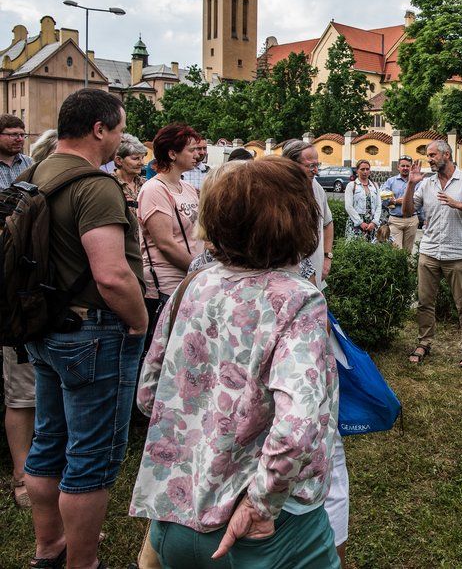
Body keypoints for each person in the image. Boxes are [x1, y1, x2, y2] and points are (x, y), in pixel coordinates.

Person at [130, 156, 340, 569]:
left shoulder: (193, 285)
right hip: (261, 533)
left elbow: (148, 395)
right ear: (298, 221)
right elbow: (297, 428)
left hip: (176, 514)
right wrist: (261, 504)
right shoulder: (297, 299)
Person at [22, 89, 148, 569]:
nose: (120, 139)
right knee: (91, 455)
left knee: (48, 441)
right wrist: (138, 321)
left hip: (44, 327)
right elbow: (112, 274)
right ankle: (83, 563)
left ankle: (48, 547)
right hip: (92, 331)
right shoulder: (94, 186)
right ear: (100, 129)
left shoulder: (36, 174)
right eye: (118, 129)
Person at [403, 140, 462, 367]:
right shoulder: (427, 184)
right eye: (428, 155)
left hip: (457, 253)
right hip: (429, 251)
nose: (429, 159)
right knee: (424, 302)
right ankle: (424, 342)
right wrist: (411, 185)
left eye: (432, 155)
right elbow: (407, 211)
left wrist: (456, 204)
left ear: (447, 155)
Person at [138, 124, 200, 344]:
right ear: (172, 154)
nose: (197, 154)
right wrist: (200, 270)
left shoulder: (188, 188)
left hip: (189, 280)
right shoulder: (154, 190)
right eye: (191, 150)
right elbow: (165, 243)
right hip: (167, 286)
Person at [0, 114, 35, 510]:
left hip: (33, 285)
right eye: (11, 134)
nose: (18, 139)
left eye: (21, 133)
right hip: (12, 289)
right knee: (21, 394)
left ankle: (38, 466)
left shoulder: (29, 166)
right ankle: (20, 473)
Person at [281, 140, 334, 287]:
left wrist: (327, 258)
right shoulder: (276, 192)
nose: (316, 171)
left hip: (314, 279)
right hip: (285, 280)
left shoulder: (316, 187)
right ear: (291, 164)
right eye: (311, 166)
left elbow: (328, 223)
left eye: (317, 165)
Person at [382, 155, 417, 251]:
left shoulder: (416, 182)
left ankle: (406, 267)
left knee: (408, 251)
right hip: (395, 220)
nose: (405, 168)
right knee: (396, 250)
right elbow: (383, 200)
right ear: (398, 167)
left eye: (407, 166)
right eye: (403, 166)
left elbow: (419, 200)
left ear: (411, 167)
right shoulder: (390, 181)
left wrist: (406, 201)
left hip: (412, 220)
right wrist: (396, 201)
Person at [343, 159, 382, 242]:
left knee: (372, 250)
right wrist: (360, 222)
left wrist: (374, 222)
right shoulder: (351, 185)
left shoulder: (374, 186)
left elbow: (379, 205)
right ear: (357, 171)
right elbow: (348, 206)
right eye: (362, 169)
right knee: (355, 249)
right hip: (356, 223)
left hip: (372, 224)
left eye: (367, 169)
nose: (365, 172)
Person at [112, 134, 147, 221]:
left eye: (142, 158)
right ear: (119, 160)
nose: (142, 162)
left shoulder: (146, 184)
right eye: (136, 158)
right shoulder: (109, 184)